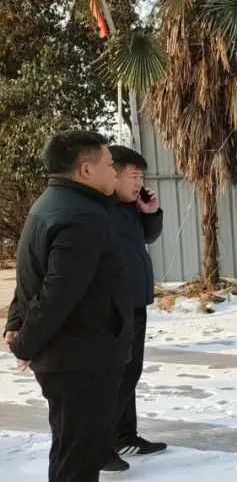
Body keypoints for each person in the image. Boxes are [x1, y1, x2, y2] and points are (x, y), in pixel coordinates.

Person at [3, 130, 133, 481]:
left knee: (70, 452)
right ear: (86, 170)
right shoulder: (81, 216)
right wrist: (24, 343)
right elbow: (57, 293)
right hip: (82, 359)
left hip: (74, 356)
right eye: (110, 164)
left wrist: (17, 323)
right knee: (78, 462)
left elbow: (32, 275)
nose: (115, 172)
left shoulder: (54, 203)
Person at [102, 146, 168, 473]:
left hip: (134, 301)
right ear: (112, 175)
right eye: (133, 176)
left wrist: (150, 213)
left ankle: (125, 436)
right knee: (117, 377)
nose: (139, 182)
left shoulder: (130, 207)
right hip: (113, 305)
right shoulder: (101, 210)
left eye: (142, 176)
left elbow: (147, 238)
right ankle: (100, 446)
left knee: (130, 372)